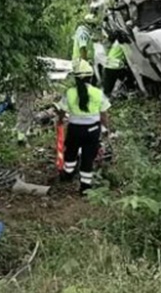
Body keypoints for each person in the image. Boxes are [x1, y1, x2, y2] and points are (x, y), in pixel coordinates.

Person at [55, 60, 112, 194]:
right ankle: (85, 187)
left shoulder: (69, 93)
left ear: (76, 78)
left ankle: (67, 175)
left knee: (70, 153)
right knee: (88, 157)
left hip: (75, 129)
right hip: (92, 130)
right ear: (91, 77)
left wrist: (60, 121)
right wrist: (106, 129)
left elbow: (61, 111)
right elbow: (104, 115)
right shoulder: (98, 93)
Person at [101, 30, 134, 96]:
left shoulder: (116, 44)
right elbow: (130, 55)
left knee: (107, 88)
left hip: (109, 66)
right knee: (129, 77)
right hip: (116, 66)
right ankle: (130, 91)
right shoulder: (122, 44)